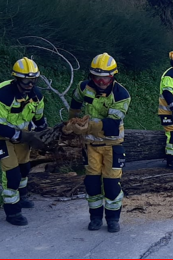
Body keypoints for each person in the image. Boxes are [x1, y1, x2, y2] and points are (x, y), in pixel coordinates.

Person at [64, 53, 130, 233]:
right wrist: (72, 121)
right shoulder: (84, 87)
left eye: (105, 78)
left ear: (113, 76)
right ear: (91, 76)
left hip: (112, 145)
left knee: (111, 185)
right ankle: (95, 218)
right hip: (91, 146)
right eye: (97, 78)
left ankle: (113, 219)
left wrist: (86, 127)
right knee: (92, 184)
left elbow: (112, 124)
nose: (101, 82)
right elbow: (76, 101)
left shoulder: (121, 95)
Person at [0, 57, 48, 226]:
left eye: (33, 80)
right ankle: (12, 212)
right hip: (0, 138)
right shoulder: (1, 95)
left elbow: (40, 118)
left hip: (23, 137)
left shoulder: (37, 95)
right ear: (17, 78)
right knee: (12, 175)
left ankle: (22, 196)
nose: (30, 84)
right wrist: (25, 137)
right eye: (26, 80)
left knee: (24, 169)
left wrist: (45, 135)